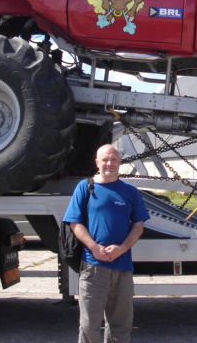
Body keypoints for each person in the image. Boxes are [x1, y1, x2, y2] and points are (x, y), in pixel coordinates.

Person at [63, 144, 150, 343]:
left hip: (122, 266)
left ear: (119, 162)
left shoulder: (130, 191)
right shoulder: (85, 187)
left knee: (121, 325)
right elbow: (74, 223)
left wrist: (122, 249)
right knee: (89, 325)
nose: (109, 163)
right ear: (97, 163)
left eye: (113, 159)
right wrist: (94, 248)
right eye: (105, 160)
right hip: (93, 267)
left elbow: (138, 226)